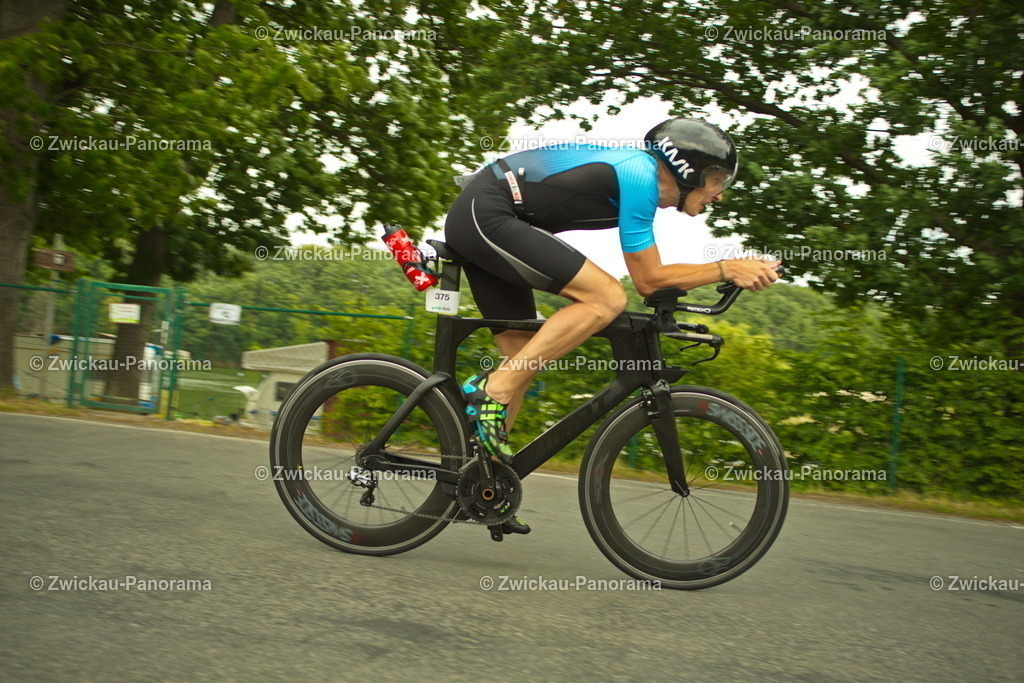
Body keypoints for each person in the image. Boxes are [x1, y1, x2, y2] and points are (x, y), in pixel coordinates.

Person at [443, 118, 781, 535]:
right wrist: (727, 267)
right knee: (606, 298)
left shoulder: (641, 182)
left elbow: (653, 276)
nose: (719, 193)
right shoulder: (640, 175)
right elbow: (648, 280)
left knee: (521, 358)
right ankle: (490, 391)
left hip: (493, 213)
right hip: (487, 211)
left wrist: (724, 271)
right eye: (715, 179)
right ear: (687, 168)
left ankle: (483, 486)